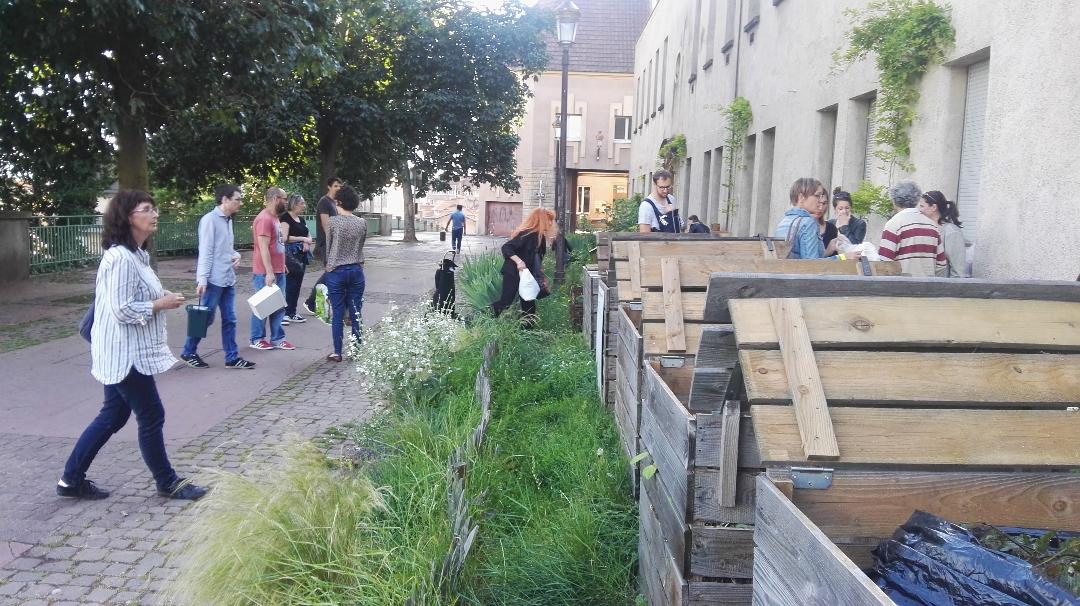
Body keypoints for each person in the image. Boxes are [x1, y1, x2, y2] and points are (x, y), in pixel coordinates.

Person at [56, 190, 208, 501]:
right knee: (151, 415)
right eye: (147, 209)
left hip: (124, 351)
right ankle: (168, 482)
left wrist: (164, 296)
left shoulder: (137, 255)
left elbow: (134, 295)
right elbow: (121, 309)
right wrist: (160, 304)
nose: (155, 214)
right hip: (125, 355)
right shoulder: (121, 258)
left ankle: (71, 479)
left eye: (154, 208)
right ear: (128, 217)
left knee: (113, 415)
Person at [179, 184, 256, 370]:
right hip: (213, 280)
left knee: (230, 319)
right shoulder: (209, 220)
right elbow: (206, 251)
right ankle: (188, 352)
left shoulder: (228, 220)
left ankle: (232, 357)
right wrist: (202, 279)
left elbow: (225, 249)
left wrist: (236, 255)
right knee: (204, 318)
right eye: (237, 199)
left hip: (227, 278)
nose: (240, 203)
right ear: (225, 199)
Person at [323, 185, 367, 362]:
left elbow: (328, 246)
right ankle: (356, 350)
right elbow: (361, 245)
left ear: (338, 202)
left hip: (336, 271)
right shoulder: (362, 223)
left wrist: (329, 265)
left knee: (338, 312)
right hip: (356, 269)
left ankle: (337, 352)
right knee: (356, 312)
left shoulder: (333, 222)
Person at [493, 208, 558, 325]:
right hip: (513, 272)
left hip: (527, 275)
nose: (550, 223)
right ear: (540, 220)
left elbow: (536, 259)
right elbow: (506, 247)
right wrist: (519, 262)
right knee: (506, 302)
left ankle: (527, 330)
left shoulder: (541, 237)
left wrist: (540, 275)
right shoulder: (527, 234)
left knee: (528, 303)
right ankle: (480, 318)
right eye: (548, 220)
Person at [249, 187, 294, 351]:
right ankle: (257, 338)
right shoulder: (264, 219)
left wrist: (282, 265)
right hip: (265, 272)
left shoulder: (274, 218)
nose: (287, 202)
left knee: (278, 306)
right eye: (285, 198)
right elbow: (263, 247)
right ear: (275, 199)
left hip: (277, 270)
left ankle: (277, 338)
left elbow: (276, 244)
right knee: (262, 307)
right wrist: (269, 272)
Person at [774, 178, 858, 260]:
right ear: (801, 197)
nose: (820, 200)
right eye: (817, 196)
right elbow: (812, 264)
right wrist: (844, 257)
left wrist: (827, 251)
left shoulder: (784, 221)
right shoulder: (808, 222)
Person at [878, 181, 946, 277]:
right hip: (928, 284)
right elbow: (941, 264)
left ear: (894, 201)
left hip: (902, 284)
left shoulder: (894, 224)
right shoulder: (933, 226)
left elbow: (884, 262)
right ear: (917, 199)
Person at [303, 177, 342, 315]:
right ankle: (311, 302)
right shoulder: (324, 202)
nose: (338, 188)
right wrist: (333, 242)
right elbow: (326, 226)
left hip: (334, 242)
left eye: (340, 186)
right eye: (336, 186)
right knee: (330, 273)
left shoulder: (334, 202)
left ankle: (316, 303)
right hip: (327, 243)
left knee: (332, 273)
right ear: (329, 187)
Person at [279, 193, 314, 323]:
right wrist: (302, 239)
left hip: (301, 255)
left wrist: (306, 242)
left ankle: (292, 311)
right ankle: (284, 312)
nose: (304, 206)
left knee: (297, 284)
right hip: (290, 254)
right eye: (301, 203)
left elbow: (309, 236)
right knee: (290, 284)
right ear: (294, 204)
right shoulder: (286, 218)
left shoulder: (301, 220)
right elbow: (285, 237)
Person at [917, 190, 968, 278]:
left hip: (941, 285)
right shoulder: (923, 228)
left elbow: (958, 270)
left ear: (934, 207)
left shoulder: (951, 232)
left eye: (922, 206)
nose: (919, 210)